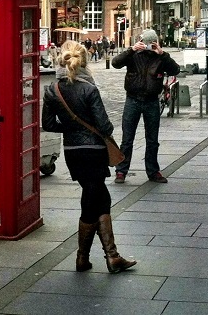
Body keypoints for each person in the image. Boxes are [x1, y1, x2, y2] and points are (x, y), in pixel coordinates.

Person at [41, 41, 137, 274]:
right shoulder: (89, 89)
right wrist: (89, 129)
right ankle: (88, 257)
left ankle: (108, 257)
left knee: (99, 198)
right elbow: (105, 126)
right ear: (84, 62)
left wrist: (71, 129)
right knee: (94, 201)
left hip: (73, 152)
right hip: (94, 151)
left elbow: (48, 124)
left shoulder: (52, 90)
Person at [110, 29, 180, 184]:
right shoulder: (134, 54)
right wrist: (131, 50)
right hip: (132, 99)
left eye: (152, 43)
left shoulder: (160, 57)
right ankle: (121, 171)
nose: (148, 46)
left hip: (151, 101)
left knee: (152, 139)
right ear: (141, 41)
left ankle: (153, 171)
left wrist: (162, 54)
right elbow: (115, 63)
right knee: (127, 139)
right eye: (146, 43)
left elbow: (175, 70)